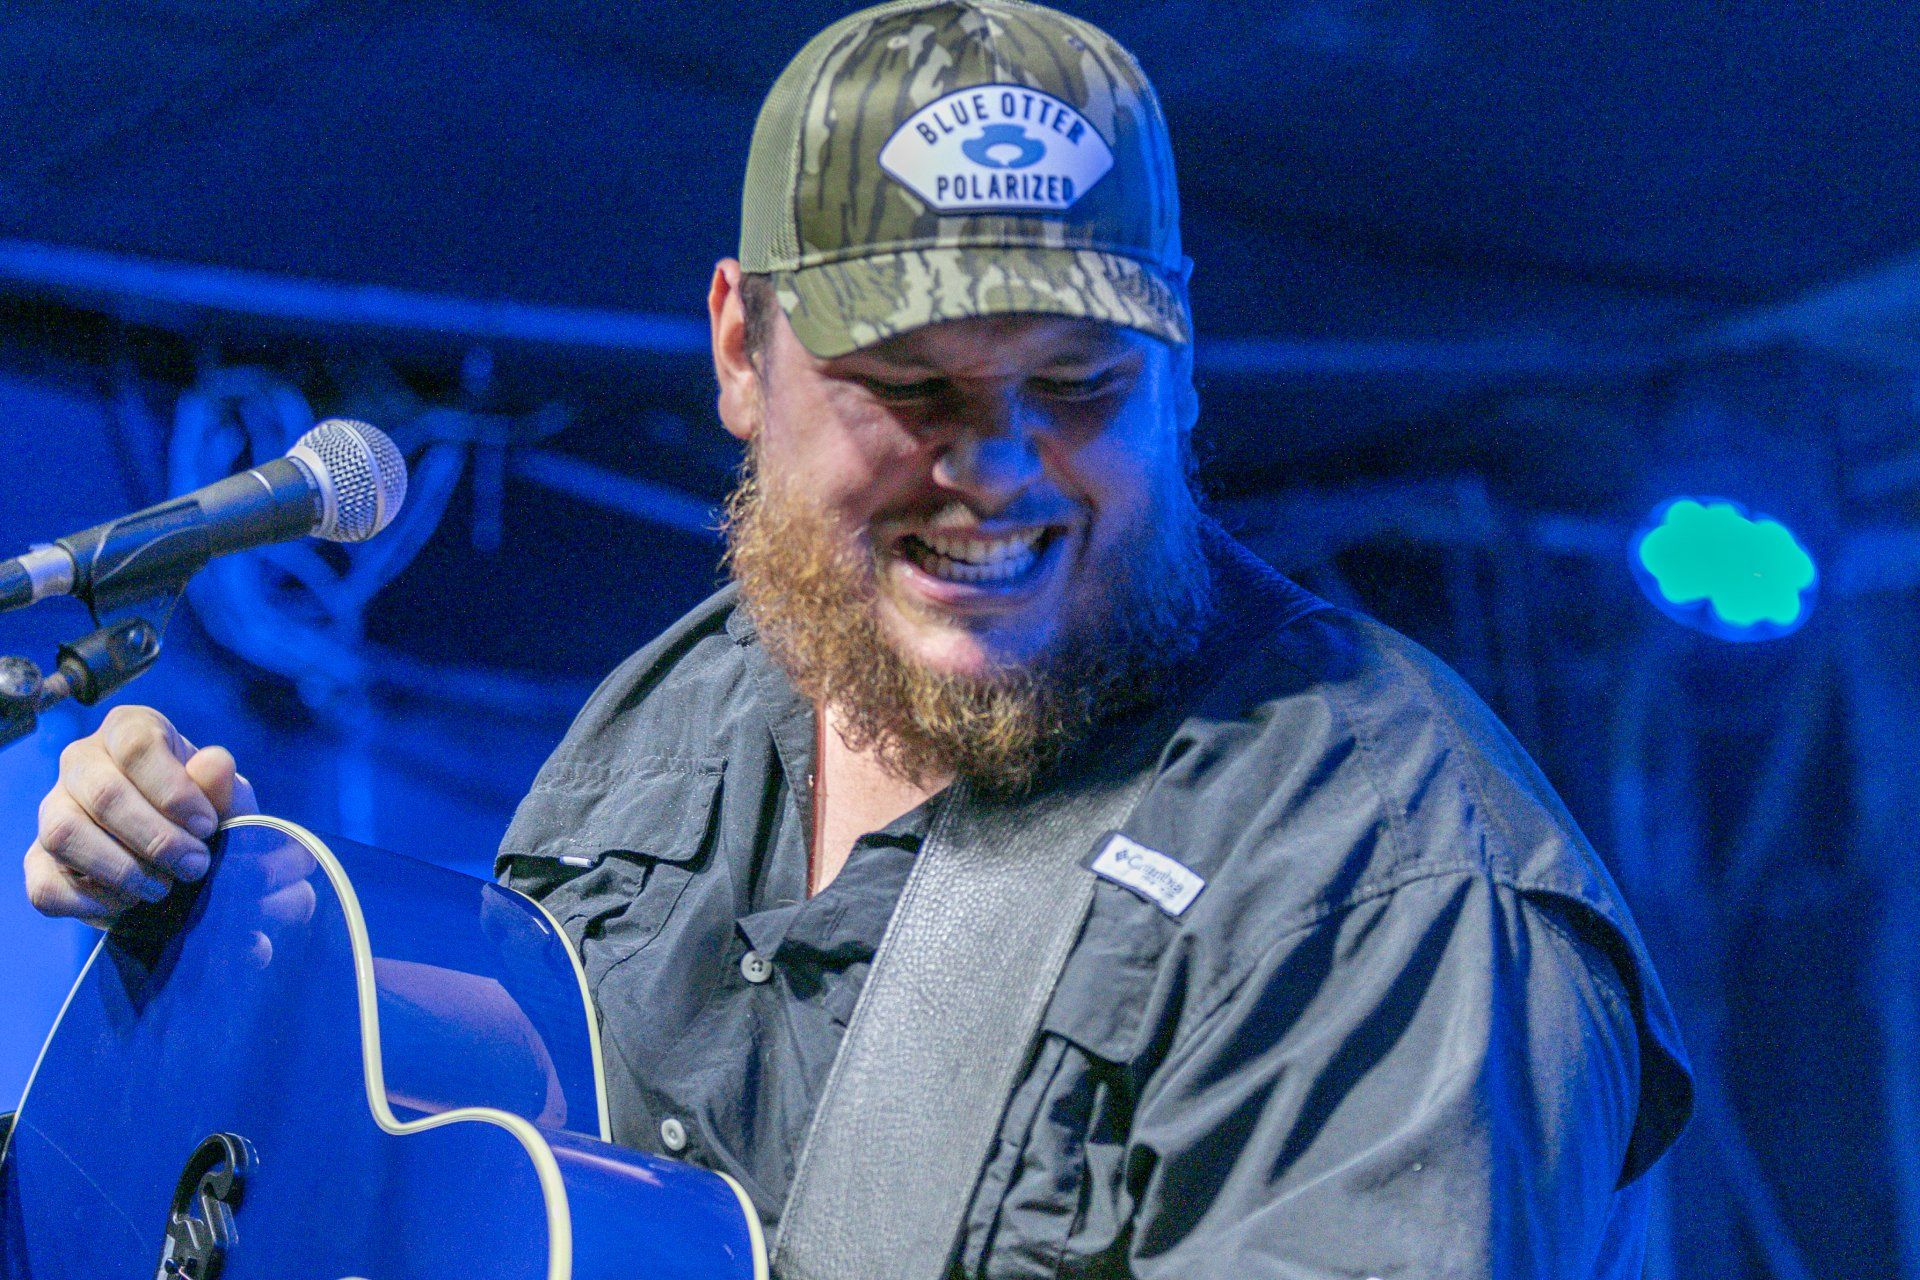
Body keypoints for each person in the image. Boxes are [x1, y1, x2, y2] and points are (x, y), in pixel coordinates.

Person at [21, 1, 1692, 1275]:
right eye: (914, 391)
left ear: (1179, 369)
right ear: (744, 350)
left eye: (1082, 389)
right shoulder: (682, 715)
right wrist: (207, 955)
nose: (998, 468)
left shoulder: (1380, 884)